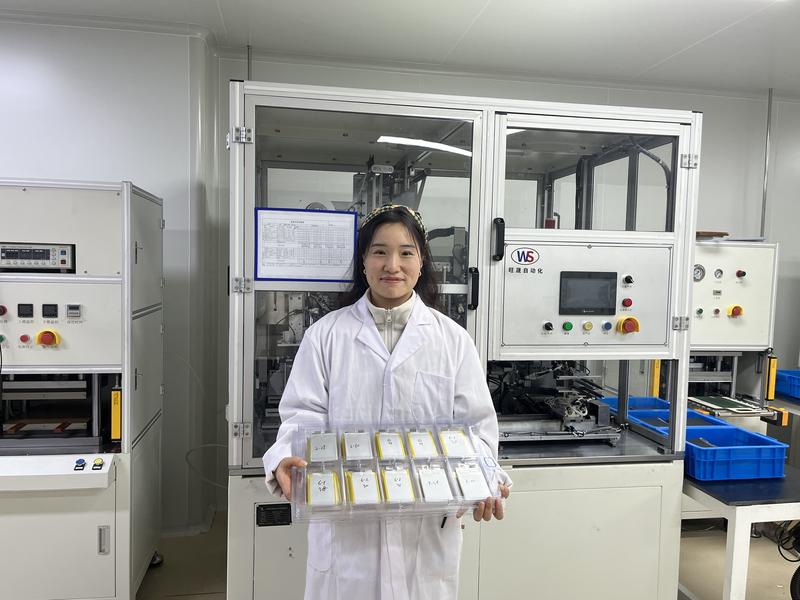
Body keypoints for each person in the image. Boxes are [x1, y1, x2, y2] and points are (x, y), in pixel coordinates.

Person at [263, 204, 511, 600]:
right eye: (379, 251)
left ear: (422, 261)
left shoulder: (452, 340)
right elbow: (301, 418)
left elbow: (477, 429)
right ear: (363, 261)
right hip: (346, 528)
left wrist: (485, 480)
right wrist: (282, 459)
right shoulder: (325, 336)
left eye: (406, 252)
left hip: (427, 530)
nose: (392, 265)